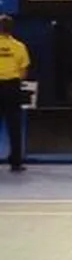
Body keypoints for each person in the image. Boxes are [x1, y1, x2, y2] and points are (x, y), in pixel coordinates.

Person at [0, 15, 29, 172]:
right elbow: (23, 72)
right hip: (11, 87)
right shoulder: (19, 46)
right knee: (14, 125)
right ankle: (16, 162)